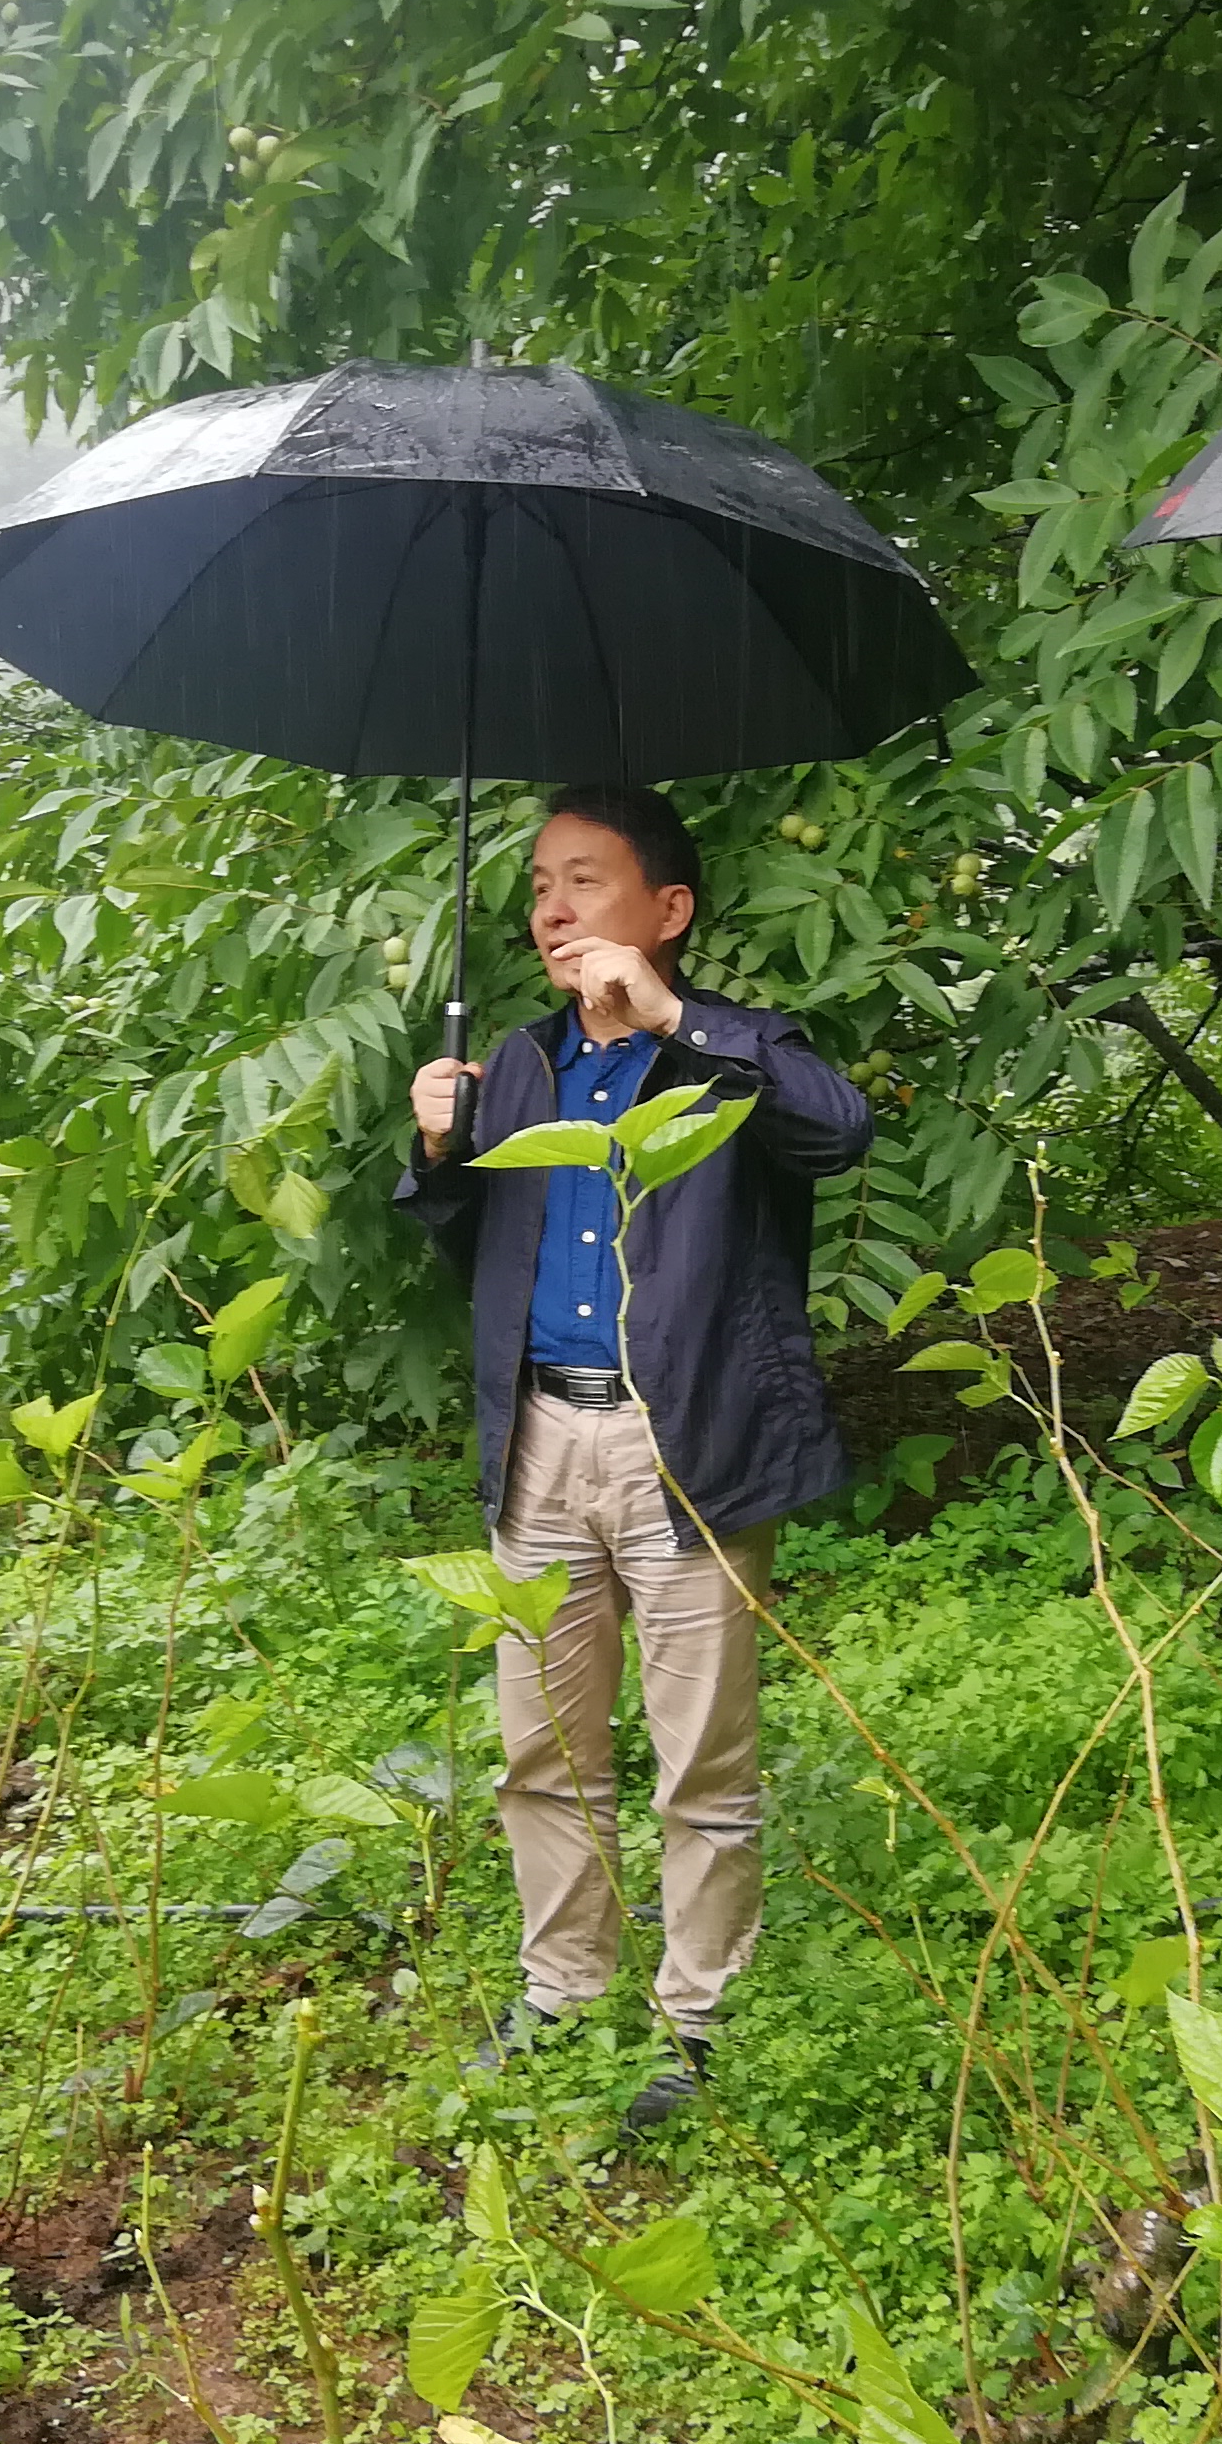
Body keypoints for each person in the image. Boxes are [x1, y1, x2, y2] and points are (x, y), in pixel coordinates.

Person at [397, 785, 873, 2129]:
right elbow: (475, 1251)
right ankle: (560, 1988)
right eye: (543, 884)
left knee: (699, 1761)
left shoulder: (737, 1054)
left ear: (667, 912)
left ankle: (694, 2018)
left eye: (587, 882)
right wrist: (438, 1149)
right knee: (540, 1747)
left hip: (690, 1441)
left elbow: (839, 1133)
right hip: (541, 1438)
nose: (553, 911)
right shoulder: (525, 1065)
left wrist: (678, 1020)